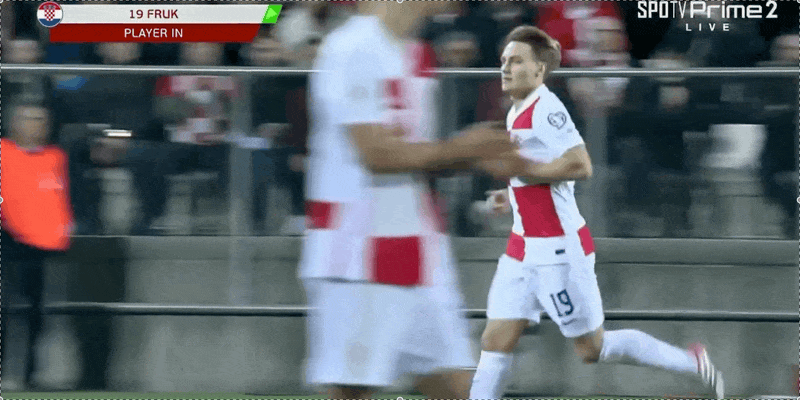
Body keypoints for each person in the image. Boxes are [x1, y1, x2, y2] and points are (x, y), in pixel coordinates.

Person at [469, 26, 725, 400]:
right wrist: (509, 195)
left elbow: (580, 164)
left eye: (517, 61)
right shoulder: (516, 112)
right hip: (522, 246)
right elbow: (536, 173)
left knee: (591, 348)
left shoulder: (547, 109)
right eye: (504, 60)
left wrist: (525, 173)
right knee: (495, 340)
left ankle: (691, 362)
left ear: (539, 69)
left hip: (558, 249)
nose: (506, 68)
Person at [299, 2, 528, 399]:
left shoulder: (416, 52)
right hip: (357, 252)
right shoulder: (351, 48)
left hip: (418, 246)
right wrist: (464, 149)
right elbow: (376, 154)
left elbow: (417, 157)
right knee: (353, 390)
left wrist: (478, 155)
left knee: (461, 386)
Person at [1, 103, 73, 390]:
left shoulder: (56, 157)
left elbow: (61, 196)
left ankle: (30, 375)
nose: (37, 124)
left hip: (40, 245)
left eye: (41, 119)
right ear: (14, 123)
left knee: (35, 314)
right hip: (6, 240)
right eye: (30, 118)